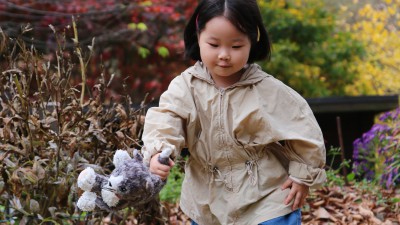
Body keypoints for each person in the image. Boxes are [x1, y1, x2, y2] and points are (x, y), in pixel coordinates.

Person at [141, 0, 327, 224]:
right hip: (206, 197)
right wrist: (159, 151)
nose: (224, 55)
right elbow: (167, 118)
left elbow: (302, 128)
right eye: (214, 44)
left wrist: (302, 177)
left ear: (252, 42)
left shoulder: (267, 90)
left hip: (266, 195)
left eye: (236, 46)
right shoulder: (186, 87)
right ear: (198, 37)